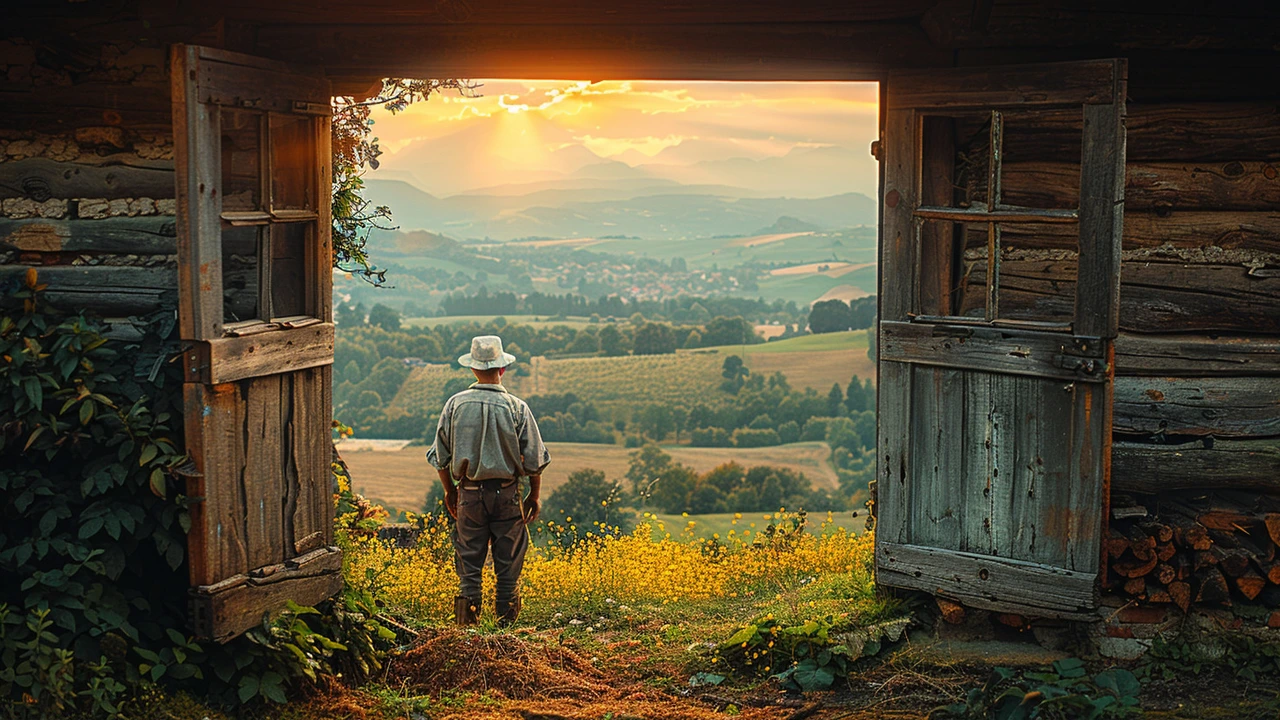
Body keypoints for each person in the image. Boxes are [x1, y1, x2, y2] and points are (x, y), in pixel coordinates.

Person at [427, 335, 550, 626]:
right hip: (507, 495)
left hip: (469, 494)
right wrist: (533, 495)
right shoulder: (517, 408)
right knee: (508, 570)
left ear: (472, 369)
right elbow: (534, 461)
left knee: (469, 569)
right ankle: (505, 635)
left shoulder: (454, 405)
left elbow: (439, 457)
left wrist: (450, 492)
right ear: (502, 369)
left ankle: (468, 636)